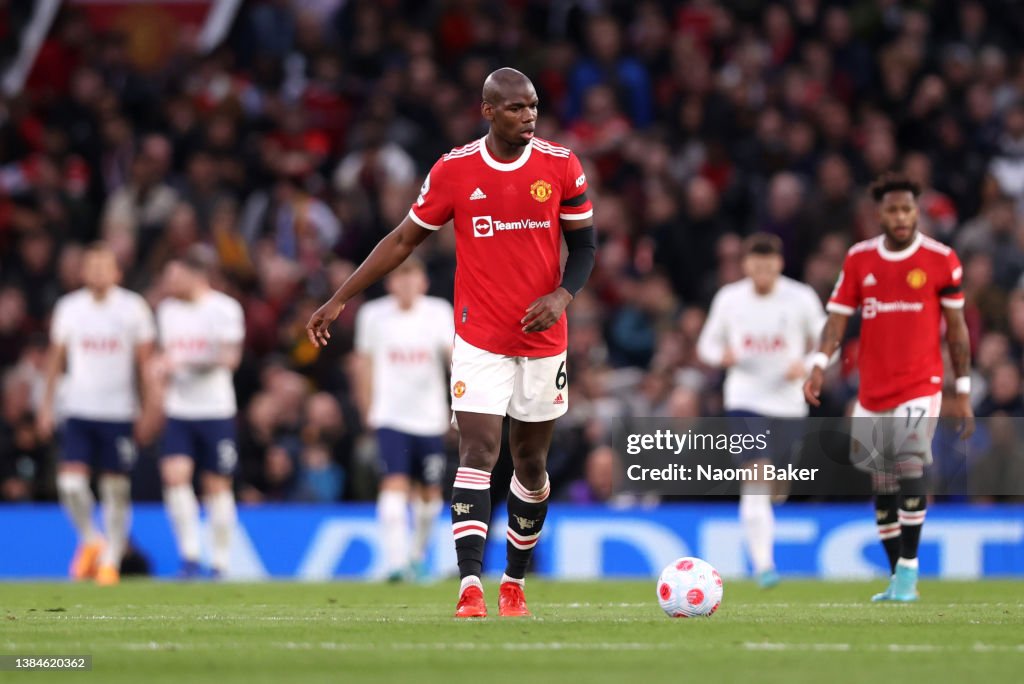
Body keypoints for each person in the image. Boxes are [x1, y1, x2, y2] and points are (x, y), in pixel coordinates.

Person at [306, 68, 596, 618]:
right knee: (478, 452)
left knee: (530, 465)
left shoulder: (560, 164)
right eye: (515, 108)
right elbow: (402, 240)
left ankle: (514, 580)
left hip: (543, 339)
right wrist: (341, 297)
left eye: (533, 106)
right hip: (479, 335)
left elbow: (584, 245)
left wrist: (562, 295)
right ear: (487, 111)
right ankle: (470, 586)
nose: (528, 115)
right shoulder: (456, 170)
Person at [804, 172, 974, 602]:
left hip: (921, 383)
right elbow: (838, 317)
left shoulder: (941, 259)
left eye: (908, 209)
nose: (901, 216)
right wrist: (820, 363)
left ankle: (910, 572)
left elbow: (956, 330)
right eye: (893, 209)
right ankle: (898, 576)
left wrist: (965, 389)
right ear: (878, 214)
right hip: (873, 391)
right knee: (881, 482)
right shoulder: (859, 259)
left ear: (917, 212)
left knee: (910, 463)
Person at [697, 233, 825, 589]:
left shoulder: (800, 297)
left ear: (779, 265)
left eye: (769, 266)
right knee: (756, 473)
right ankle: (764, 566)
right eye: (756, 266)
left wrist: (809, 362)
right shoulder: (730, 298)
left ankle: (763, 554)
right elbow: (707, 343)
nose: (763, 273)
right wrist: (719, 356)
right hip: (744, 400)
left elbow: (827, 337)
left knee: (778, 487)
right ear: (747, 266)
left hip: (787, 403)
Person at [37, 243, 158, 585]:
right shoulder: (69, 308)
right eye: (91, 266)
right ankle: (92, 540)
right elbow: (55, 360)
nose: (98, 272)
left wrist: (149, 409)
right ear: (82, 272)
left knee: (115, 490)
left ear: (117, 272)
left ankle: (111, 560)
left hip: (119, 412)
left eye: (104, 266)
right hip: (78, 408)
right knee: (71, 484)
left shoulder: (133, 308)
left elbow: (145, 365)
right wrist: (46, 407)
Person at [353, 257, 453, 582]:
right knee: (393, 483)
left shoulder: (438, 312)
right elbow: (364, 364)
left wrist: (462, 401)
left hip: (429, 417)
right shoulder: (373, 316)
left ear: (423, 283)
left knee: (430, 494)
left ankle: (416, 556)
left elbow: (453, 359)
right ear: (390, 283)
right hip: (390, 415)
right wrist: (366, 407)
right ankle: (395, 563)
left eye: (413, 278)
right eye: (400, 278)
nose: (407, 285)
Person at [154, 248, 244, 578]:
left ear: (196, 275)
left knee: (216, 485)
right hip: (179, 409)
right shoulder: (167, 311)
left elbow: (229, 358)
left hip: (215, 409)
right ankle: (190, 555)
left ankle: (220, 561)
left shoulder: (224, 309)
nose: (168, 284)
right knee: (174, 477)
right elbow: (166, 355)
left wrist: (183, 363)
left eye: (174, 276)